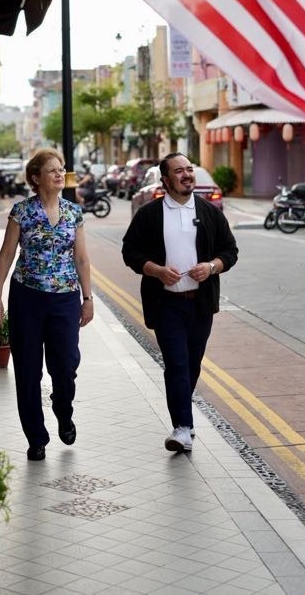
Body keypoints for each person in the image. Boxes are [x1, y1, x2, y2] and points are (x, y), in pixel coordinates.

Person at [122, 152, 238, 453]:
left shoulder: (210, 212)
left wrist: (211, 267)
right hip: (166, 304)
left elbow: (230, 251)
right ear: (165, 179)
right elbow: (130, 252)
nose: (187, 175)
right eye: (179, 171)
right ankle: (183, 428)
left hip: (200, 303)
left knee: (192, 365)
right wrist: (157, 271)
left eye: (189, 170)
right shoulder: (149, 214)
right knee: (176, 364)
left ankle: (183, 420)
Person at [0, 147, 94, 461]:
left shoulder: (74, 212)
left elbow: (81, 257)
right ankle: (36, 437)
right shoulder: (21, 211)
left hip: (64, 298)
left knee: (65, 365)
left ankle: (63, 409)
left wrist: (87, 298)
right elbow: (7, 254)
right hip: (27, 298)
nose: (60, 173)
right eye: (52, 170)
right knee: (27, 369)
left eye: (61, 169)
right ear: (36, 178)